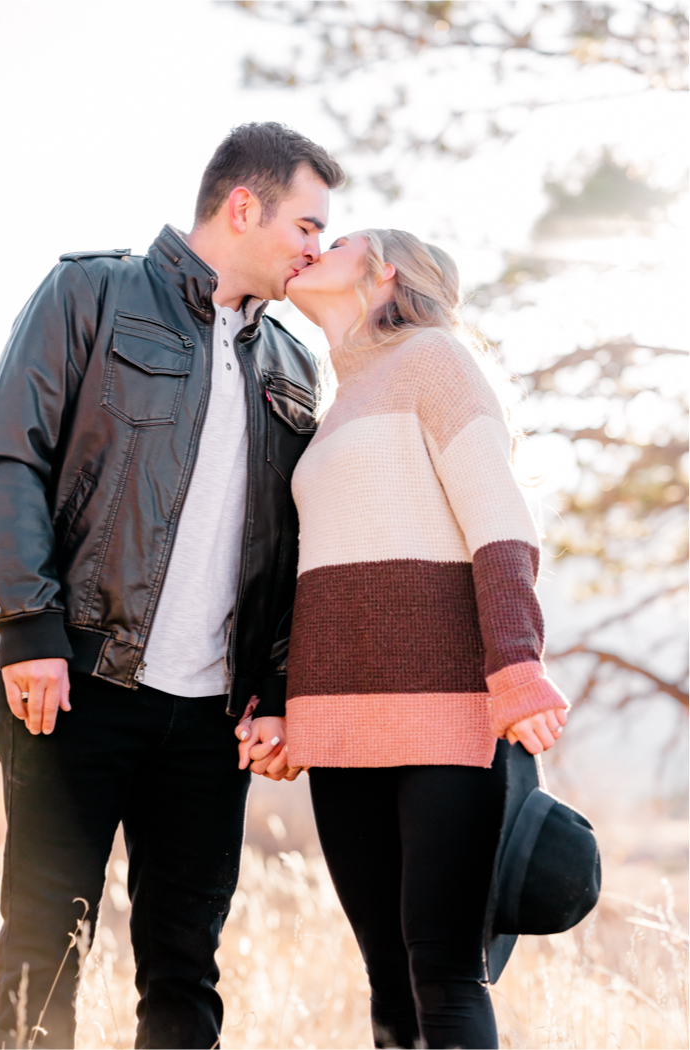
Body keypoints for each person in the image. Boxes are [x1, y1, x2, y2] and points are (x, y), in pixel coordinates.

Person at [0, 122, 345, 1049]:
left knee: (184, 970)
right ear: (244, 205)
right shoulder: (90, 294)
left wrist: (281, 690)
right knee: (43, 950)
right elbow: (5, 461)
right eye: (306, 224)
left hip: (212, 720)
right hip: (77, 685)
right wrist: (28, 629)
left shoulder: (293, 364)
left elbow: (295, 548)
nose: (315, 249)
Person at [268, 229, 570, 1049]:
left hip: (447, 713)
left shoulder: (435, 358)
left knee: (441, 969)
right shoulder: (337, 404)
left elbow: (502, 522)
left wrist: (516, 663)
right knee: (388, 979)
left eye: (333, 242)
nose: (309, 251)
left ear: (384, 269)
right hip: (339, 724)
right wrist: (283, 703)